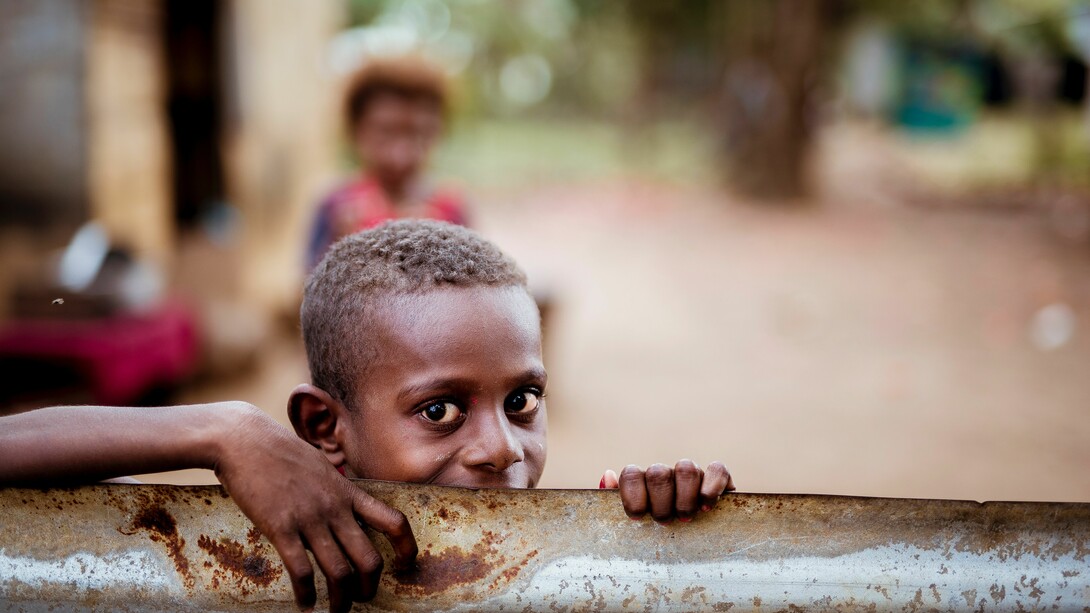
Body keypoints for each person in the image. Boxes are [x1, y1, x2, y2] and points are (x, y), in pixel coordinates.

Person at [0, 220, 734, 613]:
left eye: (523, 401)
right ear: (325, 428)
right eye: (440, 410)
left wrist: (651, 551)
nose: (501, 448)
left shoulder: (569, 558)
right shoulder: (260, 541)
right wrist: (222, 430)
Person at [306, 55, 470, 271]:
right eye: (386, 132)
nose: (399, 155)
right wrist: (341, 255)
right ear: (357, 130)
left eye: (418, 134)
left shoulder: (451, 210)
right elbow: (306, 293)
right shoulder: (336, 208)